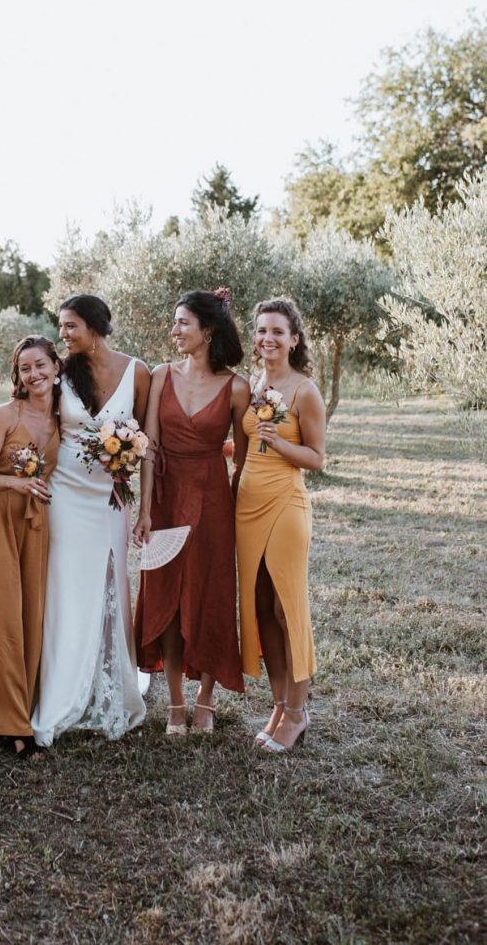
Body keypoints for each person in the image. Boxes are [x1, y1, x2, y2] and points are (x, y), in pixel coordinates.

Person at [31, 294, 150, 748]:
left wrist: (145, 502)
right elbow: (35, 421)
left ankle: (109, 684)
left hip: (110, 499)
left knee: (110, 584)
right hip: (65, 493)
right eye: (60, 326)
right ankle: (63, 692)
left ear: (95, 325)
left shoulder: (138, 371)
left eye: (70, 326)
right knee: (66, 585)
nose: (63, 334)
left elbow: (148, 439)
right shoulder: (60, 373)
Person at [133, 288, 250, 735]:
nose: (175, 330)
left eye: (183, 322)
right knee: (165, 595)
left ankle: (205, 699)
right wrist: (144, 510)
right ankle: (175, 706)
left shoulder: (237, 387)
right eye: (174, 321)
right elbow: (149, 447)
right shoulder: (162, 375)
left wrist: (236, 504)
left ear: (208, 331)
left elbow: (241, 455)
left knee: (209, 595)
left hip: (213, 500)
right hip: (164, 498)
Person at [235, 297, 326, 753]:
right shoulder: (252, 384)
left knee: (287, 608)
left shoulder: (304, 391)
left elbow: (316, 457)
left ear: (293, 339)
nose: (267, 338)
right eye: (261, 331)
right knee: (261, 605)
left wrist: (278, 442)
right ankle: (278, 703)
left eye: (276, 331)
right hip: (247, 504)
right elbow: (249, 445)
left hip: (286, 504)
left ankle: (297, 712)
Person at [0, 335, 61, 756]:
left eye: (41, 365)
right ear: (18, 376)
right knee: (1, 617)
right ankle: (6, 724)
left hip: (36, 523)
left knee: (31, 615)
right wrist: (17, 483)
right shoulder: (6, 416)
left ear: (56, 367)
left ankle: (26, 709)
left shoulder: (65, 418)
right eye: (25, 368)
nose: (34, 374)